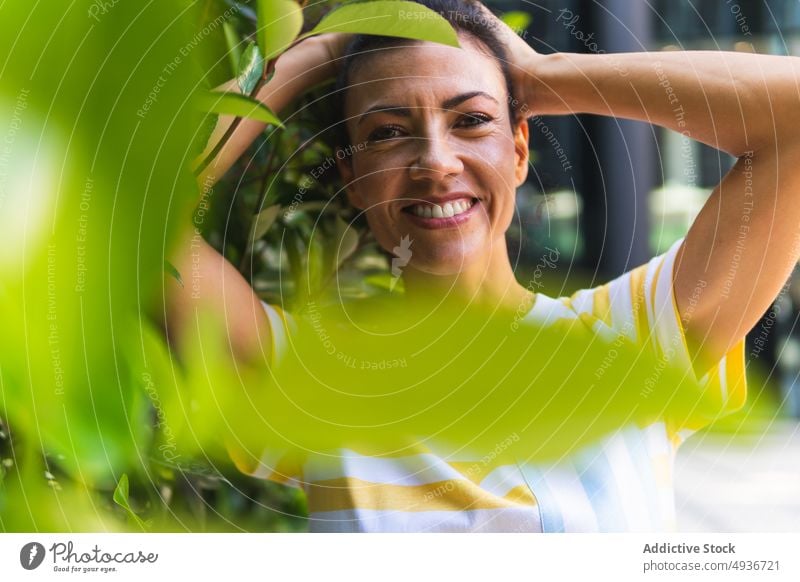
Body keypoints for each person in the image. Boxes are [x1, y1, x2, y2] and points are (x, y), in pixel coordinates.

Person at [168, 0, 800, 532]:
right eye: (388, 133)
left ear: (520, 151)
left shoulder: (635, 338)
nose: (437, 162)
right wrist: (318, 54)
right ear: (352, 179)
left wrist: (543, 72)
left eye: (471, 121)